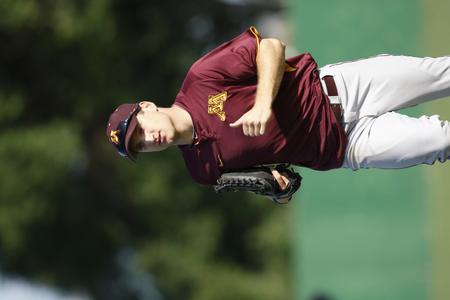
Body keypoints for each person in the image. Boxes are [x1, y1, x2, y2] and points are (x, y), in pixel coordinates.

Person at [106, 26, 450, 192]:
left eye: (140, 128)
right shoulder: (202, 169)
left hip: (344, 87)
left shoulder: (201, 79)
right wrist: (280, 186)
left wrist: (261, 102)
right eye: (140, 145)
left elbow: (270, 46)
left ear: (147, 106)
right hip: (346, 147)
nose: (148, 138)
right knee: (441, 142)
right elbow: (272, 178)